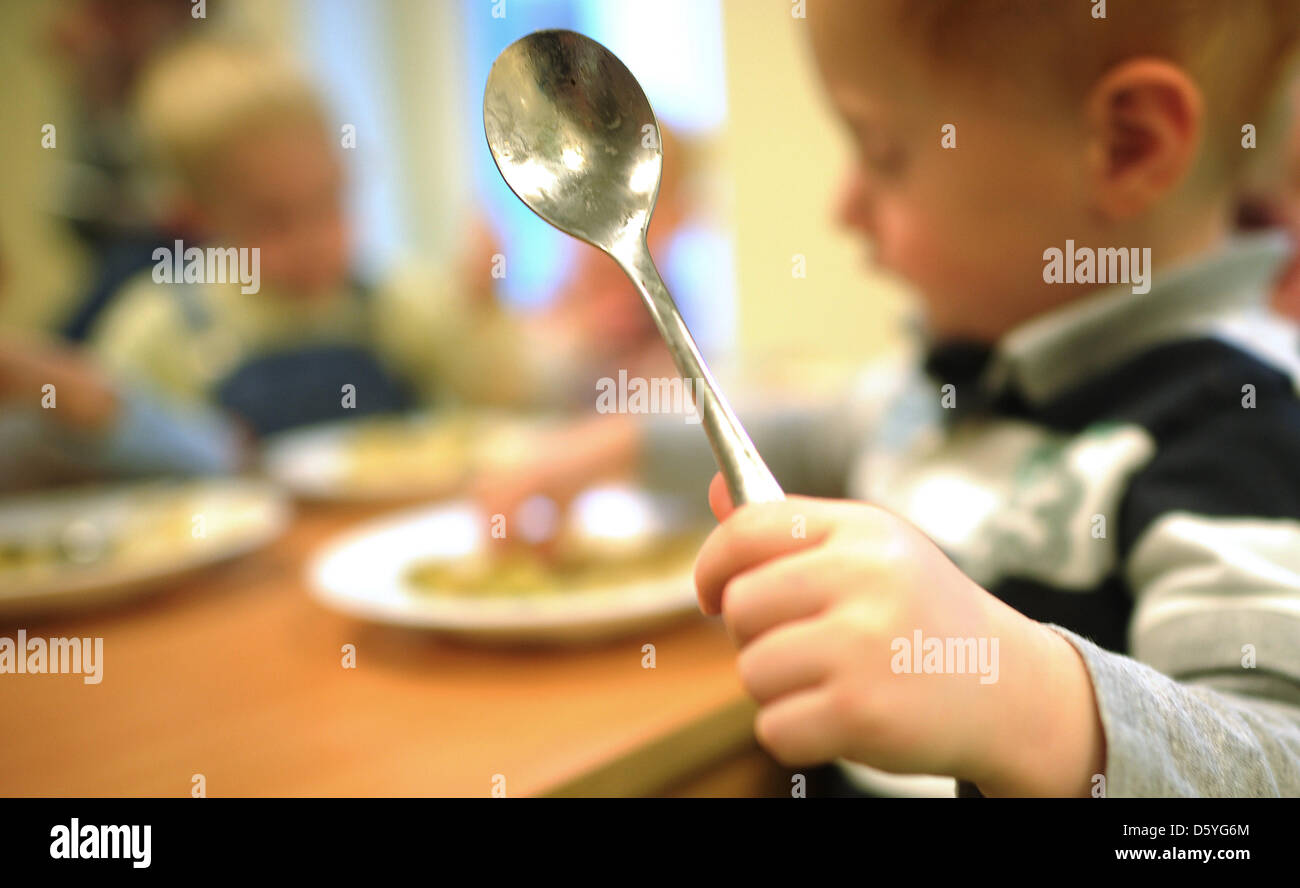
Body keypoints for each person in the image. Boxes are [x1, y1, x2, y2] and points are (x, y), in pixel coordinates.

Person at [481, 0, 1300, 796]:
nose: (843, 208)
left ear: (1127, 147)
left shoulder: (1242, 422)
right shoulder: (950, 376)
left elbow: (1275, 763)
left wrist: (1028, 703)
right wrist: (616, 448)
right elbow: (814, 438)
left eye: (882, 153)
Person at [91, 40, 546, 440]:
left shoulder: (391, 304)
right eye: (274, 220)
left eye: (329, 204)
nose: (314, 240)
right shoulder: (158, 332)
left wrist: (483, 308)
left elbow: (497, 404)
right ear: (193, 218)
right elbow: (112, 448)